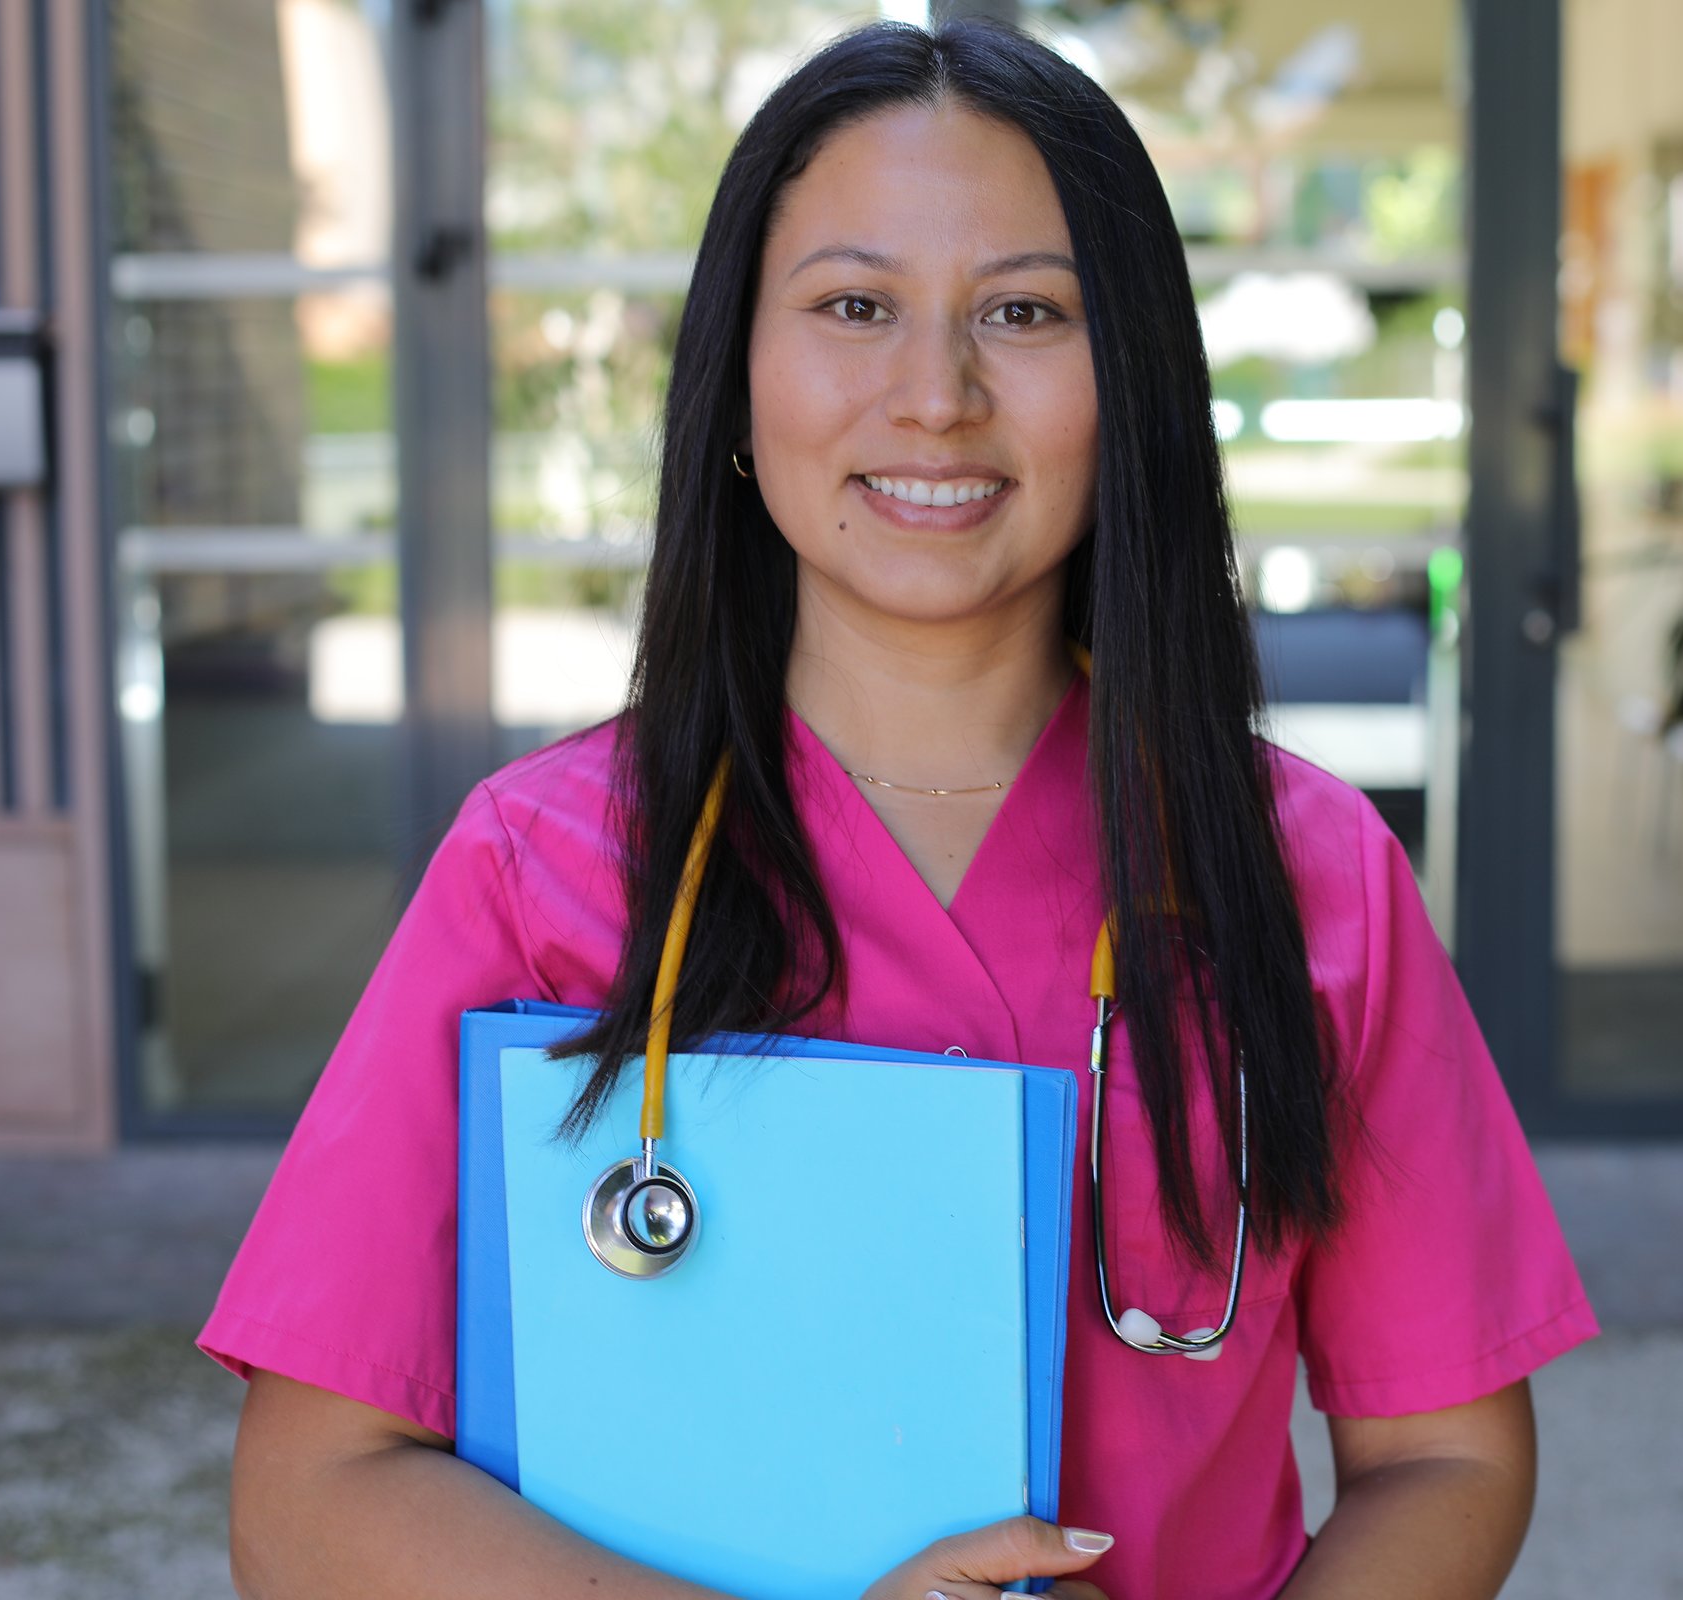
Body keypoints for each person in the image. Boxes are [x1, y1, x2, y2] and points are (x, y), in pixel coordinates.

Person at [203, 20, 1596, 1600]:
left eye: (1024, 312)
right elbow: (309, 1501)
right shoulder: (543, 870)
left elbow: (1449, 1454)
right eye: (855, 307)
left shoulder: (1305, 872)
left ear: (1129, 385)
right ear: (736, 379)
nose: (935, 395)